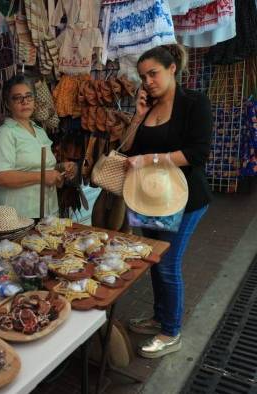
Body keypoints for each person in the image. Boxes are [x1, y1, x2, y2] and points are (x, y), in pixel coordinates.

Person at [122, 44, 213, 358]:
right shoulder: (150, 106)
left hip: (185, 198)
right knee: (154, 261)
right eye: (143, 76)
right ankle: (159, 317)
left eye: (153, 73)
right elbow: (128, 150)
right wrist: (137, 116)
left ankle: (171, 331)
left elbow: (198, 153)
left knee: (168, 265)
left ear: (172, 68)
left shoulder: (194, 103)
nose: (148, 81)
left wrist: (150, 159)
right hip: (149, 197)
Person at [0, 75, 76, 219]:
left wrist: (61, 169)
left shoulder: (40, 131)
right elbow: (0, 176)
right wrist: (43, 177)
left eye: (29, 97)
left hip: (48, 213)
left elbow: (42, 169)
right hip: (19, 217)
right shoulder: (4, 133)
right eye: (17, 98)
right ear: (8, 104)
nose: (25, 102)